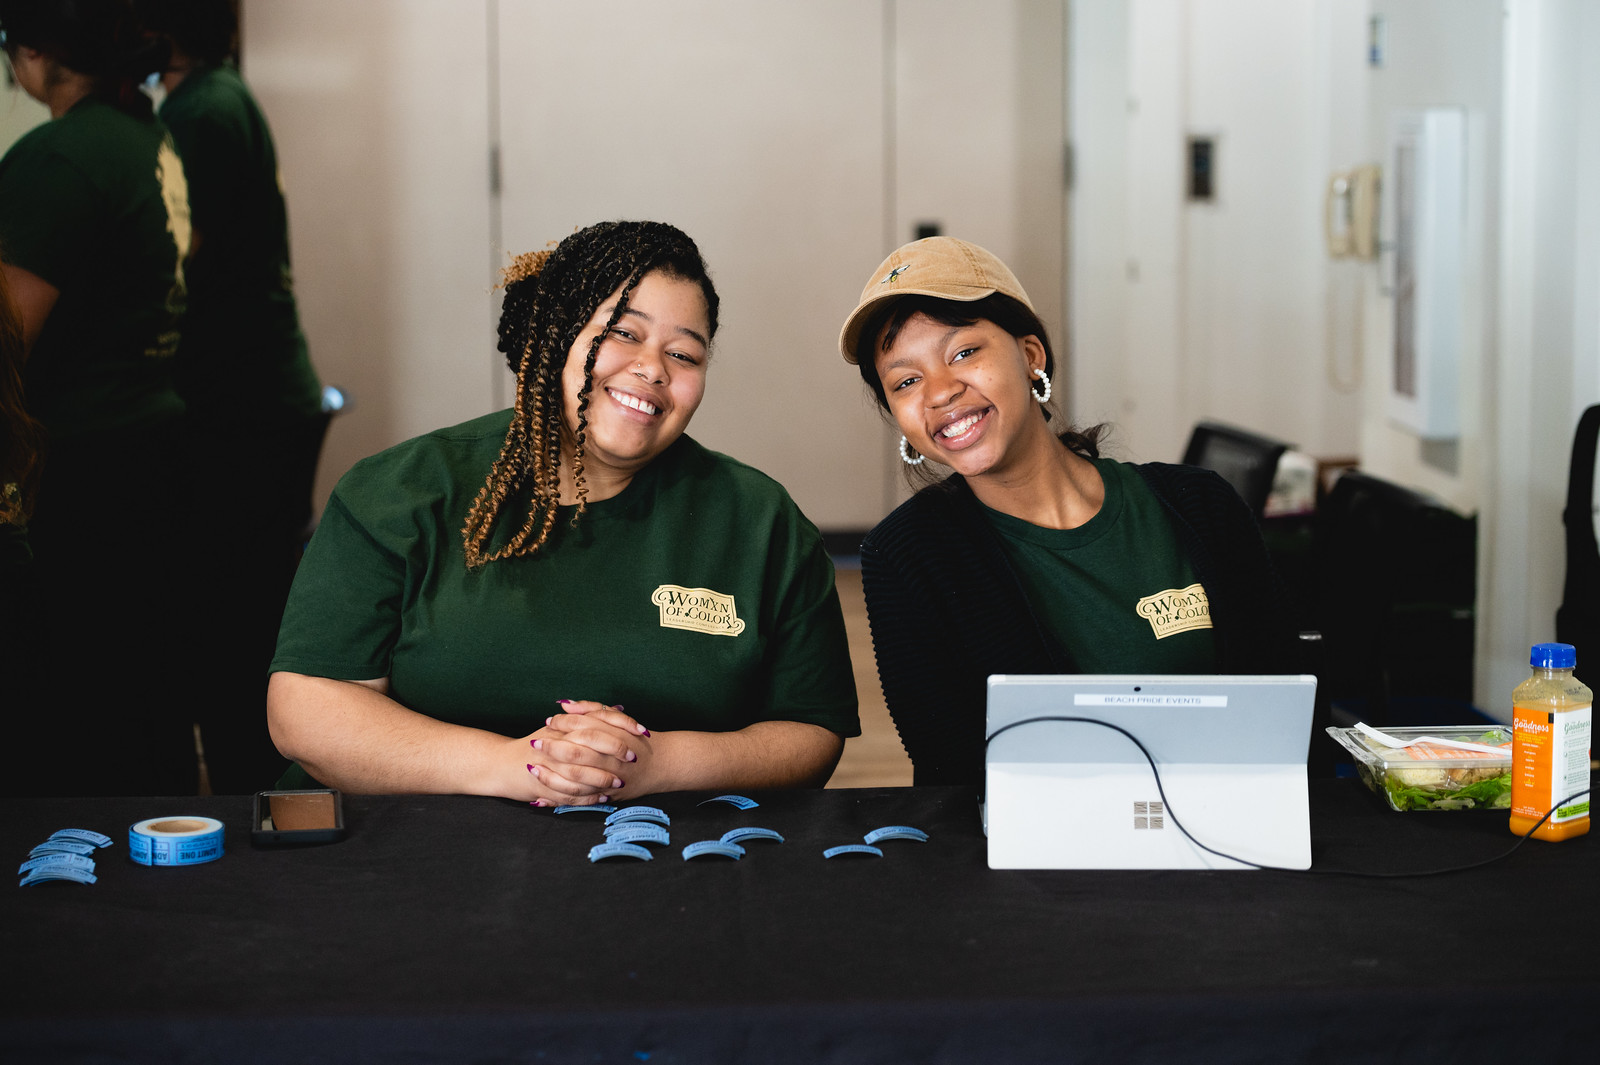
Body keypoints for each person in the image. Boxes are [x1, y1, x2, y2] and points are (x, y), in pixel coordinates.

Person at [268, 221, 859, 803]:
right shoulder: (400, 492)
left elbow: (810, 733)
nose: (653, 369)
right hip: (405, 858)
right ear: (552, 334)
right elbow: (306, 710)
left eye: (683, 354)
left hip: (666, 860)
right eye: (625, 334)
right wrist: (522, 767)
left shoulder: (759, 521)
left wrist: (657, 764)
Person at [837, 236, 1296, 787]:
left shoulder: (1200, 506)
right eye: (906, 381)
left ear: (1031, 356)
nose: (940, 392)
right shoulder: (907, 555)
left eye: (963, 353)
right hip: (1039, 860)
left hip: (1233, 839)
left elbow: (1286, 719)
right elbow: (951, 772)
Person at [0, 0, 195, 796]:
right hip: (148, 437)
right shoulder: (146, 137)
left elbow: (9, 337)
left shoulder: (59, 157)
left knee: (81, 704)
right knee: (138, 690)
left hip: (81, 459)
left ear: (36, 53)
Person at [136, 0, 323, 793]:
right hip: (257, 396)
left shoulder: (203, 110)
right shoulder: (216, 97)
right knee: (241, 612)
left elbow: (173, 253)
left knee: (233, 622)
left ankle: (257, 798)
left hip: (241, 405)